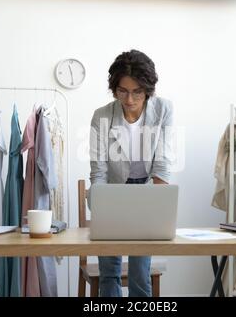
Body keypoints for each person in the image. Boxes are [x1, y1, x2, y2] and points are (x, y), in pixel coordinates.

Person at [89, 49, 174, 297]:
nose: (129, 99)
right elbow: (99, 172)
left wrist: (156, 210)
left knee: (139, 271)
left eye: (137, 92)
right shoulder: (102, 116)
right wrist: (102, 209)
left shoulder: (163, 110)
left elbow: (162, 165)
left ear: (148, 89)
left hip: (147, 190)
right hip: (111, 191)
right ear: (114, 89)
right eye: (122, 91)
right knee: (109, 271)